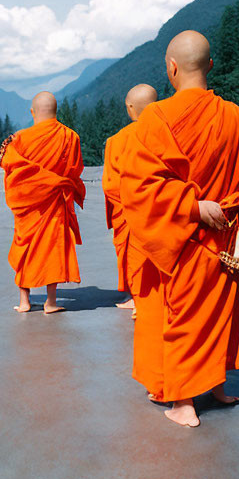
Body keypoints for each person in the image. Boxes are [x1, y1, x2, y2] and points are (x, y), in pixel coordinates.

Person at [120, 30, 239, 427]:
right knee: (219, 312)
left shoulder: (156, 116)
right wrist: (238, 207)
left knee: (182, 314)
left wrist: (189, 205)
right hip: (225, 239)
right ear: (210, 65)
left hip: (182, 237)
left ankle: (184, 402)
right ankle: (217, 386)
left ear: (171, 68)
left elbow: (138, 186)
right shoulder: (235, 117)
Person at [1, 91, 85, 314]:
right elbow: (74, 171)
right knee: (52, 249)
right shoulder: (70, 137)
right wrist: (57, 181)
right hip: (55, 203)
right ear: (56, 112)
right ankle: (50, 302)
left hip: (27, 205)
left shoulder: (20, 139)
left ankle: (24, 302)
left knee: (24, 245)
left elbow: (10, 169)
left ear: (32, 112)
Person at [102, 84, 158, 314]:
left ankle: (138, 298)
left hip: (129, 209)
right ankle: (154, 295)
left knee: (134, 251)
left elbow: (110, 184)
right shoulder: (169, 132)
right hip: (161, 207)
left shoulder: (117, 140)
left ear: (130, 108)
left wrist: (127, 199)